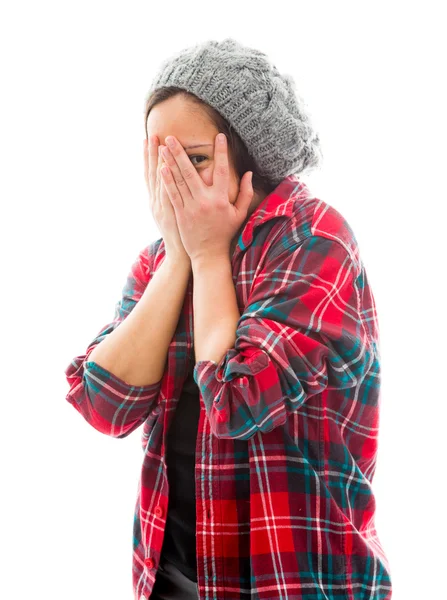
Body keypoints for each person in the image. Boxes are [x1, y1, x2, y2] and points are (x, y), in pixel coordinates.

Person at [64, 37, 393, 600]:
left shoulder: (314, 239)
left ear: (249, 155)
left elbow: (235, 400)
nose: (174, 185)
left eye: (192, 161)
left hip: (296, 583)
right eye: (158, 162)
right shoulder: (162, 257)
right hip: (171, 581)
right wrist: (180, 257)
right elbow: (104, 404)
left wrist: (210, 257)